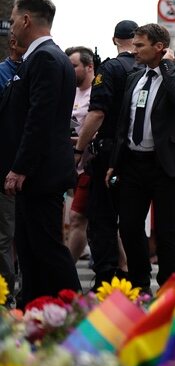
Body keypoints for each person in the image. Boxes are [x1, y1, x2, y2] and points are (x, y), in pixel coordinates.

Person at [1, 0, 82, 307]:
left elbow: (39, 119)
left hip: (40, 173)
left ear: (25, 20)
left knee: (47, 248)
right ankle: (32, 312)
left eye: (12, 20)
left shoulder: (45, 57)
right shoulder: (44, 56)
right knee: (31, 248)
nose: (11, 27)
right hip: (38, 172)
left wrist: (20, 167)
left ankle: (81, 314)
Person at [106, 23, 175, 293]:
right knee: (130, 226)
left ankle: (168, 286)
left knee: (167, 230)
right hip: (133, 164)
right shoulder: (134, 78)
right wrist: (114, 162)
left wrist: (167, 67)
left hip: (164, 165)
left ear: (159, 48)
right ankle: (140, 283)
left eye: (140, 45)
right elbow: (125, 121)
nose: (134, 50)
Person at [74, 20, 138, 289]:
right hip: (141, 154)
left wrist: (79, 149)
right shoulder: (148, 68)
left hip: (110, 153)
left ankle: (107, 277)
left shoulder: (109, 69)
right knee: (134, 219)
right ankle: (136, 277)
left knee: (103, 218)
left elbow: (97, 113)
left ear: (115, 40)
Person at [0, 34, 26, 306]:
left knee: (27, 234)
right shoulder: (3, 74)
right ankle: (7, 294)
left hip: (35, 168)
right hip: (7, 166)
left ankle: (25, 291)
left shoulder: (38, 70)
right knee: (6, 235)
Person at [65, 46, 95, 262]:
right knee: (85, 220)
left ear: (89, 67)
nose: (69, 70)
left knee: (77, 218)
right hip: (71, 166)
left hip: (91, 165)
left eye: (74, 66)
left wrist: (79, 142)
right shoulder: (70, 91)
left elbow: (100, 127)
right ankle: (123, 267)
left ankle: (66, 273)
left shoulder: (98, 92)